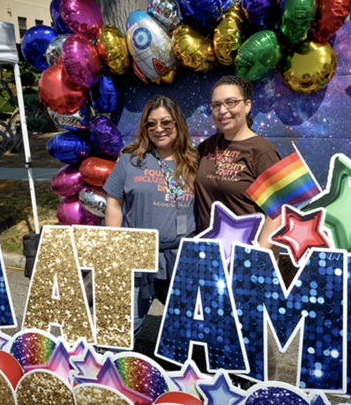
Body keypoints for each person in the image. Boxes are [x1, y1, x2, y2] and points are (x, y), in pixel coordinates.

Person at [104, 97, 198, 334]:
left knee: (188, 329)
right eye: (151, 124)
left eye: (166, 122)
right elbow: (114, 203)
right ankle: (110, 367)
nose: (158, 129)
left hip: (181, 258)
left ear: (178, 124)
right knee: (122, 329)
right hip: (137, 256)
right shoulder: (130, 160)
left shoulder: (196, 162)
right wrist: (114, 247)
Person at [194, 75, 280, 249]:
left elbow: (277, 214)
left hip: (246, 259)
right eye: (216, 105)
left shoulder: (262, 151)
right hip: (208, 255)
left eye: (230, 102)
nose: (222, 110)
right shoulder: (209, 145)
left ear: (248, 105)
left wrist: (256, 258)